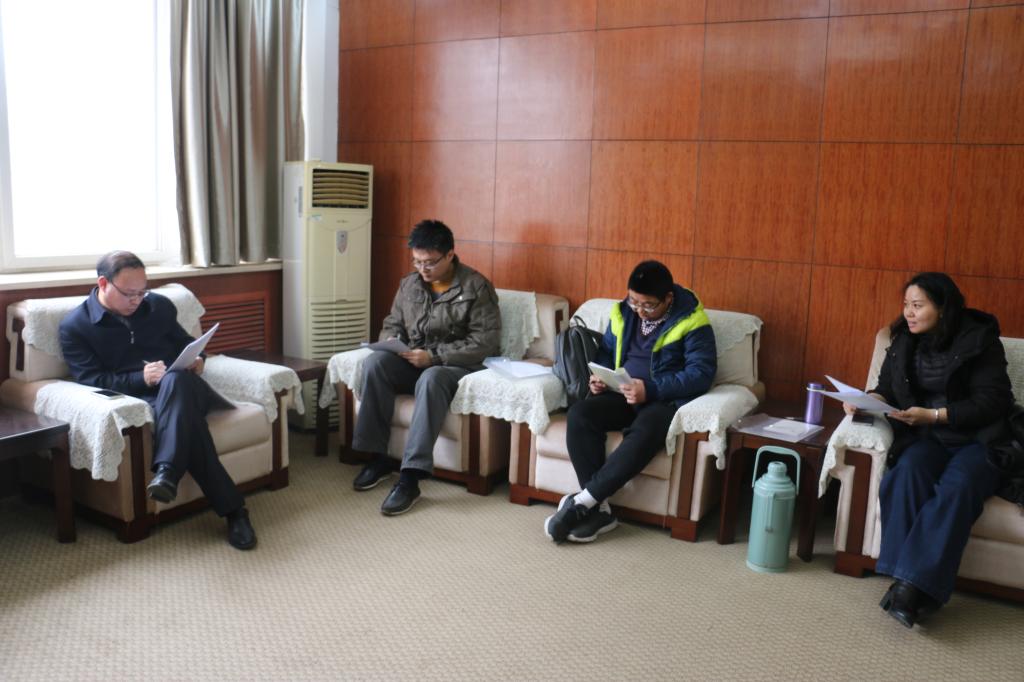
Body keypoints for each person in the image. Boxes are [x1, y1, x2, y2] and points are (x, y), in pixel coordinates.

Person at [844, 272, 1013, 628]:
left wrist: (935, 415)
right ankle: (907, 582)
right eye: (906, 304)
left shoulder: (980, 340)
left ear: (943, 308)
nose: (909, 312)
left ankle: (908, 589)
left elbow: (993, 401)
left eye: (918, 305)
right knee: (905, 474)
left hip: (978, 440)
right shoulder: (903, 340)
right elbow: (886, 388)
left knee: (957, 488)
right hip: (929, 439)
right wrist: (866, 400)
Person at [59, 251, 257, 550]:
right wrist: (141, 378)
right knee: (189, 425)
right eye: (129, 293)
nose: (137, 300)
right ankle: (235, 512)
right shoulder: (75, 326)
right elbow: (92, 380)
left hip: (188, 388)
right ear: (103, 283)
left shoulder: (158, 306)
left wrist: (199, 359)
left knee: (176, 380)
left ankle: (168, 471)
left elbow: (186, 344)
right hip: (142, 401)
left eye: (142, 292)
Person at [546, 260, 717, 544]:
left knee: (647, 429)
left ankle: (584, 501)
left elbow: (701, 375)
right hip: (622, 393)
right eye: (634, 301)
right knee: (580, 414)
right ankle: (600, 510)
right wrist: (600, 377)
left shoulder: (693, 321)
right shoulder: (623, 312)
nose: (639, 310)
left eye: (648, 305)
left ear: (668, 298)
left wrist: (650, 389)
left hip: (663, 400)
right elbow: (606, 353)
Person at [350, 219, 501, 515]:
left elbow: (485, 342)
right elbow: (392, 323)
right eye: (417, 262)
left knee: (431, 378)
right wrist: (391, 341)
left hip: (456, 367)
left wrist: (434, 357)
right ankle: (378, 457)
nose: (423, 269)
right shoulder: (409, 284)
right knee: (375, 363)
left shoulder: (476, 286)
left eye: (430, 262)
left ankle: (410, 477)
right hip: (415, 360)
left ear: (449, 255)